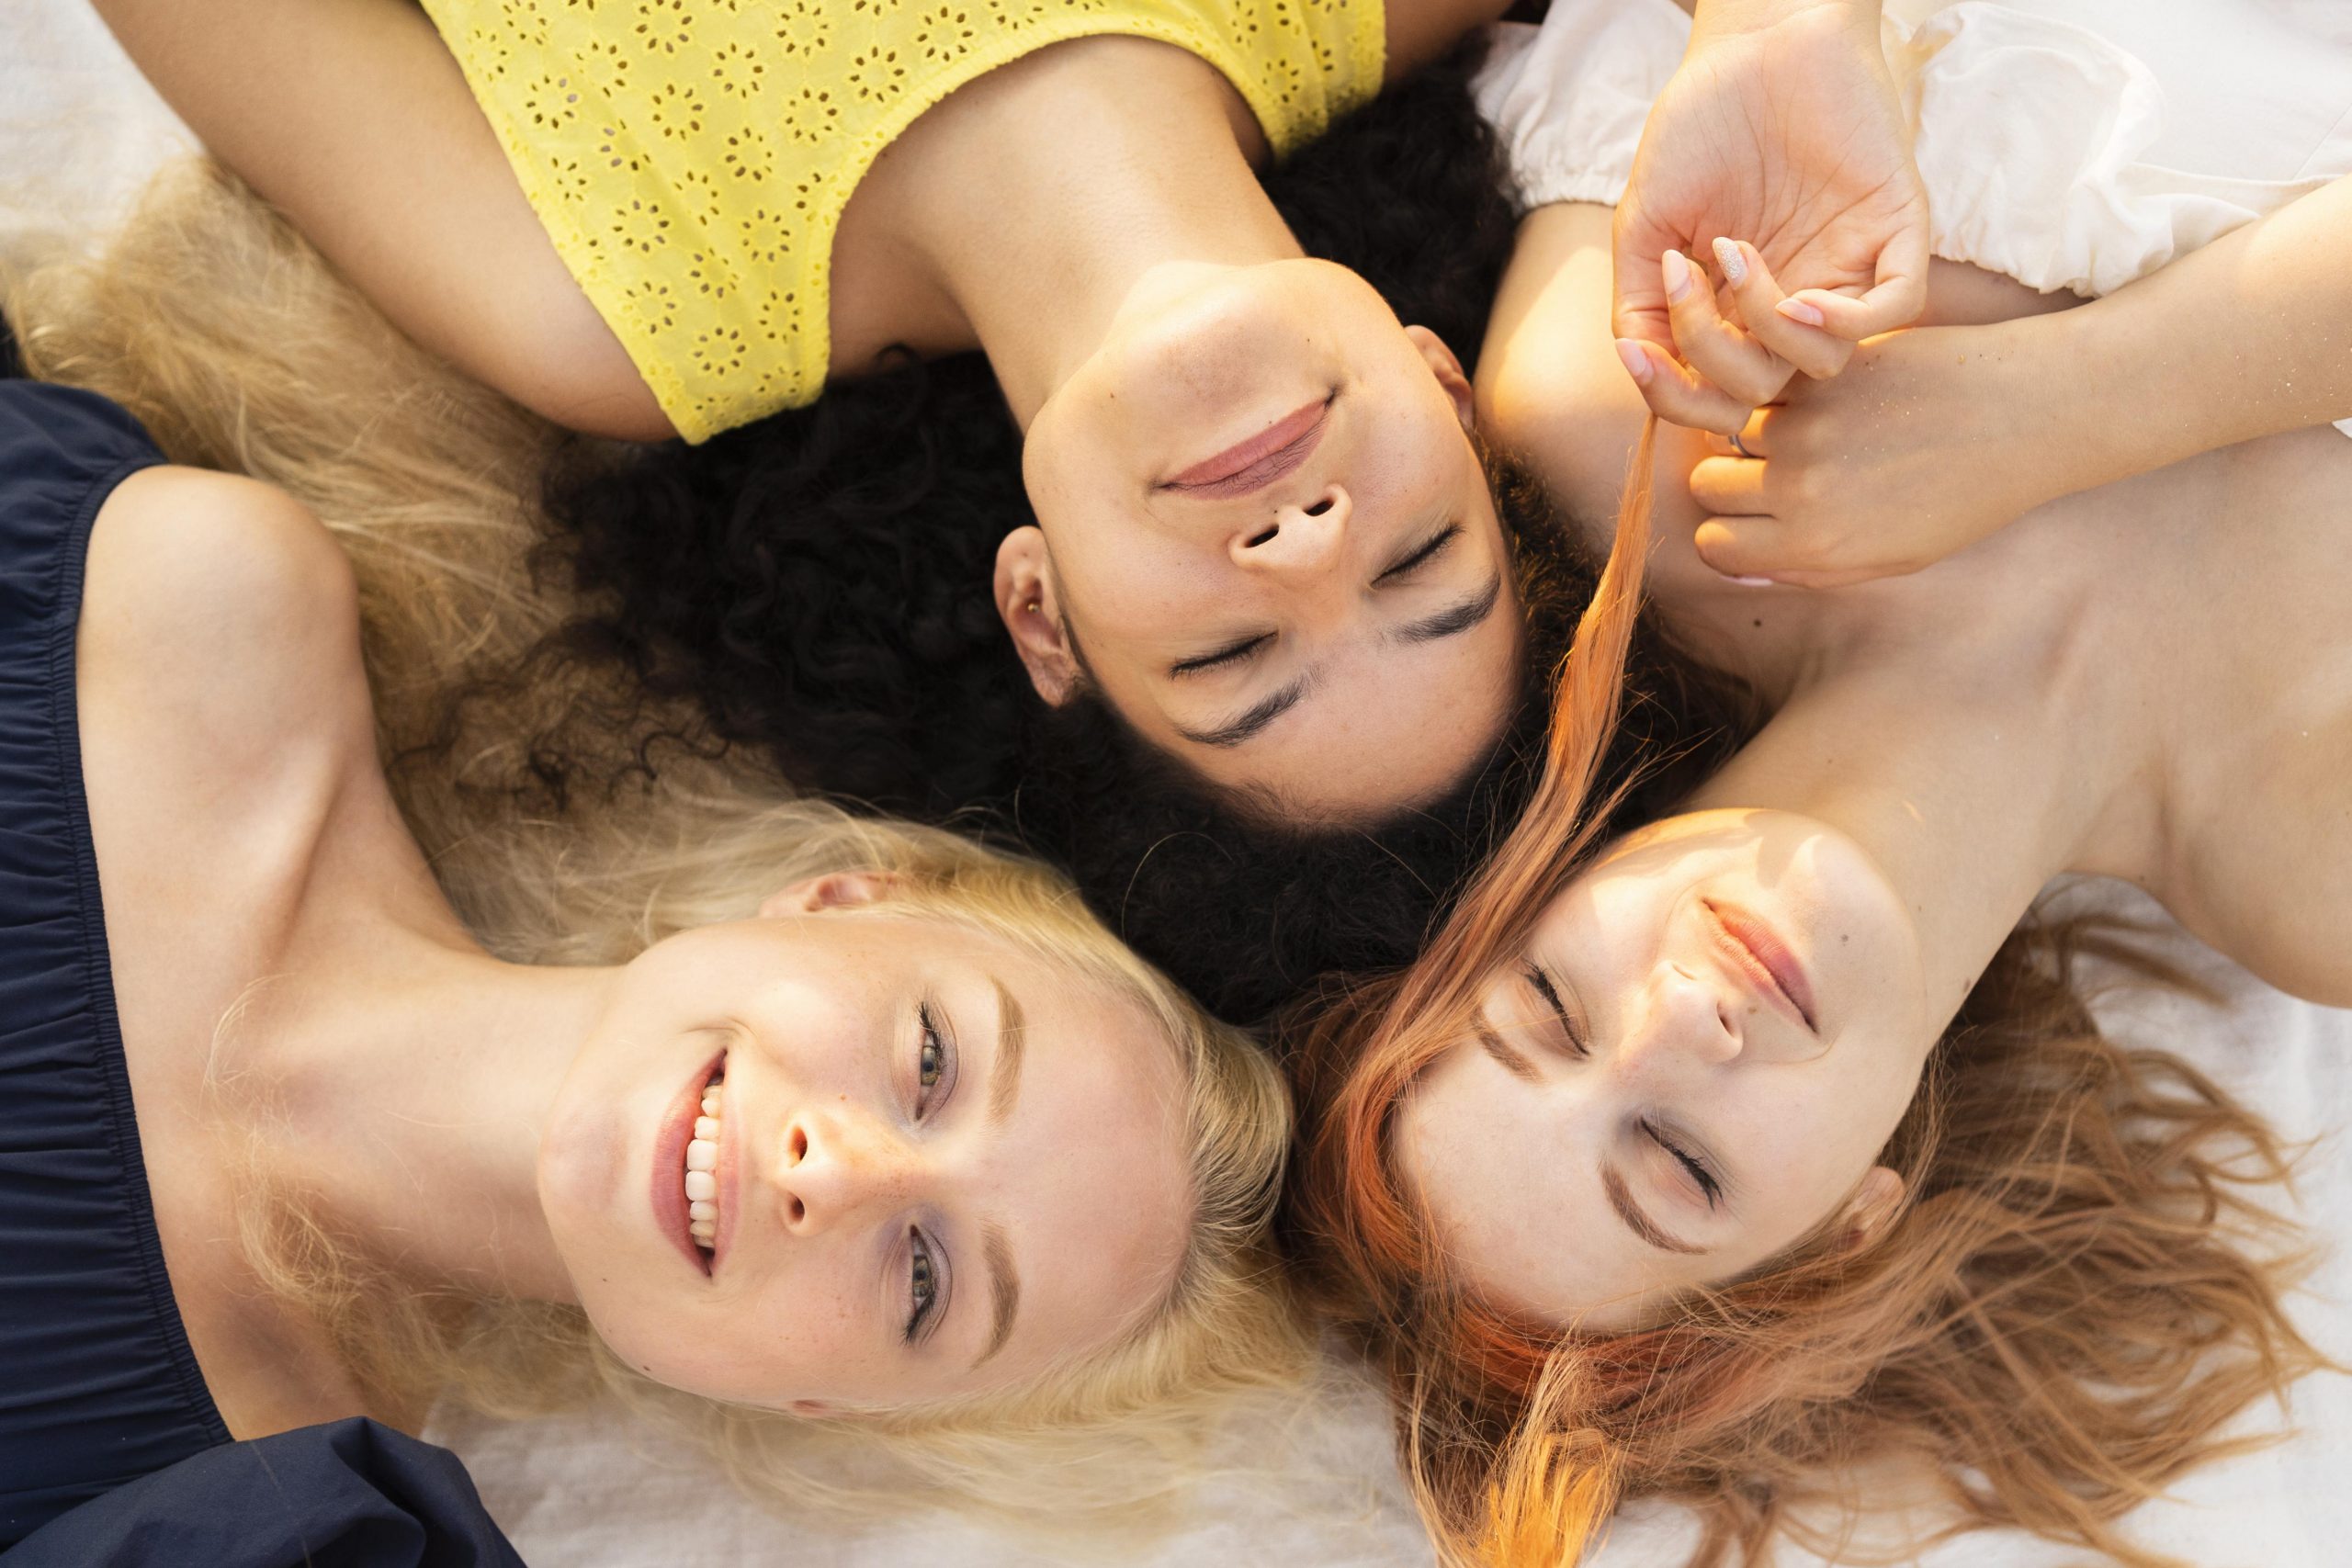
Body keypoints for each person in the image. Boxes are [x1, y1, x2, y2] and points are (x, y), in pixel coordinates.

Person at [1285, 3, 2352, 1560]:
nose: (1681, 1021)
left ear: (1532, 887)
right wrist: (2067, 409)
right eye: (1679, 1164)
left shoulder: (1619, 418)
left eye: (1555, 1011)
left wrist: (1788, 35)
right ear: (1852, 1220)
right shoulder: (2320, 872)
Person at [85, 0, 1924, 851]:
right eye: (1419, 560)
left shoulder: (613, 310)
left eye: (1230, 657)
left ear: (1042, 610)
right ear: (1442, 387)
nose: (1299, 547)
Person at [0, 364, 1299, 1548]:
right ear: (840, 899)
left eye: (922, 1282)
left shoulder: (266, 1529)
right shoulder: (192, 604)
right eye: (931, 1060)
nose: (837, 1171)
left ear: (820, 1402)